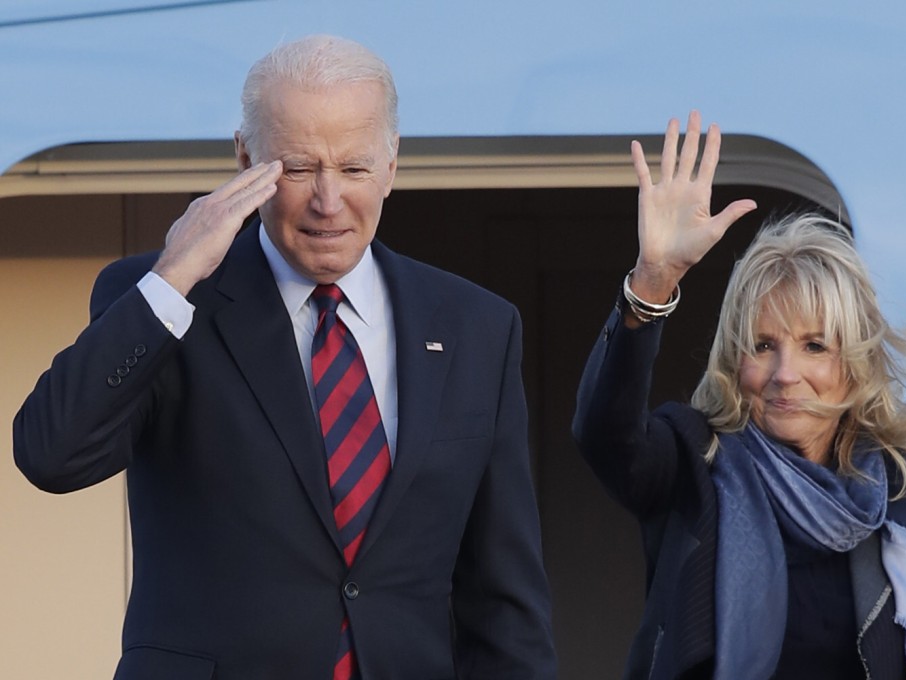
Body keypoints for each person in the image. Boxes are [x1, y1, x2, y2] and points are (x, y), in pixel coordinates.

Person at [14, 35, 555, 680]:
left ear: (392, 162)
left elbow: (506, 600)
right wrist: (174, 276)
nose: (328, 202)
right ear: (245, 157)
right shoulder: (164, 300)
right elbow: (52, 455)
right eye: (298, 169)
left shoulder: (477, 326)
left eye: (354, 168)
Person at [573, 111, 906, 679]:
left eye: (815, 346)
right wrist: (653, 280)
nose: (784, 373)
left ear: (855, 364)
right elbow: (605, 436)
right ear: (735, 359)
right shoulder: (693, 467)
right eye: (764, 345)